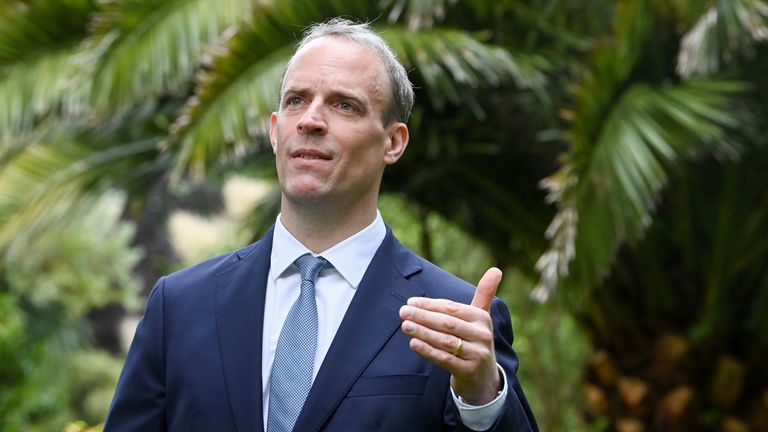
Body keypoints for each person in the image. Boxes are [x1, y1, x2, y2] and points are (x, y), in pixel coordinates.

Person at [104, 17, 538, 432]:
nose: (310, 120)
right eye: (296, 100)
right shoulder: (180, 308)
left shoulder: (455, 317)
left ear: (393, 142)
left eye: (343, 105)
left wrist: (483, 397)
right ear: (276, 131)